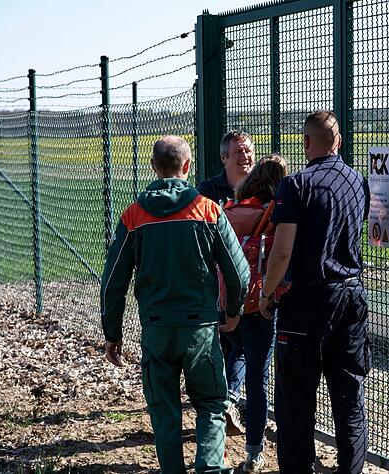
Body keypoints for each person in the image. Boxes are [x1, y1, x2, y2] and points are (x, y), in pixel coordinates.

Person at [100, 135, 250, 474]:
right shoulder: (209, 211)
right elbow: (239, 272)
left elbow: (113, 282)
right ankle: (210, 468)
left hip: (157, 329)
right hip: (200, 329)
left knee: (164, 410)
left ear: (153, 167)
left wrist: (113, 333)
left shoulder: (134, 217)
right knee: (211, 404)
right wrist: (232, 310)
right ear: (187, 166)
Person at [258, 111, 371, 473]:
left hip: (307, 301)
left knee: (296, 398)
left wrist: (267, 293)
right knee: (349, 396)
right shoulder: (357, 181)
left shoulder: (296, 185)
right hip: (351, 294)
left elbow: (283, 249)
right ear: (338, 141)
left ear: (306, 143)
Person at [218, 154, 290, 473]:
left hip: (231, 301)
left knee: (237, 349)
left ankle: (229, 398)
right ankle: (253, 453)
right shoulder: (274, 214)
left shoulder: (230, 211)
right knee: (259, 378)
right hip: (260, 301)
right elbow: (281, 255)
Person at [197, 129, 255, 435]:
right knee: (218, 344)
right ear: (224, 158)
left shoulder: (261, 187)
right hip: (214, 281)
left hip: (249, 281)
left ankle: (226, 401)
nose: (244, 157)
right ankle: (219, 402)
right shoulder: (209, 190)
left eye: (248, 150)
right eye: (238, 152)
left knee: (242, 343)